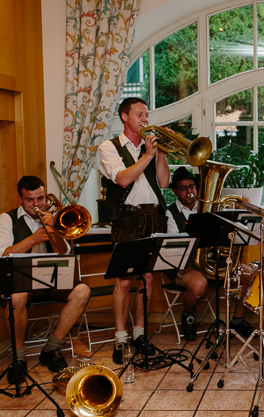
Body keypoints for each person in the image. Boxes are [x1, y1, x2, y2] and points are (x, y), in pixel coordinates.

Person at [99, 97, 170, 364]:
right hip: (128, 218)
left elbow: (163, 182)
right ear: (124, 117)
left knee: (148, 279)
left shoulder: (150, 147)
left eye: (146, 115)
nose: (145, 119)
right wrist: (148, 156)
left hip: (154, 216)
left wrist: (160, 152)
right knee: (125, 281)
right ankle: (120, 337)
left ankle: (140, 335)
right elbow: (123, 178)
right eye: (139, 114)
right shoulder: (110, 147)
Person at [0, 176, 91, 384]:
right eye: (30, 200)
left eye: (40, 198)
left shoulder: (54, 216)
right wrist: (33, 238)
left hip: (51, 278)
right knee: (16, 297)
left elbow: (65, 253)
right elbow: (4, 254)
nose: (37, 205)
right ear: (20, 199)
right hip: (20, 281)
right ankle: (19, 358)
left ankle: (51, 348)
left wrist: (55, 232)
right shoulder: (6, 219)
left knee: (82, 291)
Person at [165, 167, 255, 340]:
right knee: (199, 286)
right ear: (175, 191)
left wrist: (238, 210)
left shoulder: (210, 207)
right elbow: (175, 246)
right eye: (183, 188)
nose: (189, 192)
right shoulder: (170, 213)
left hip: (213, 260)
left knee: (249, 275)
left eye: (192, 186)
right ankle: (189, 316)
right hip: (186, 264)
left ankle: (237, 320)